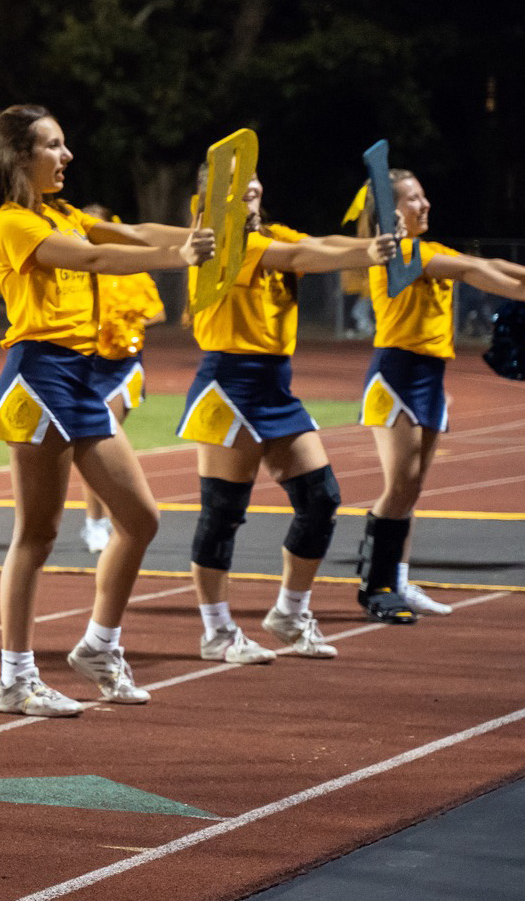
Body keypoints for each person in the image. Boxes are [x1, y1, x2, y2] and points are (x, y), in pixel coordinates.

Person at [0, 104, 212, 717]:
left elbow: (126, 236)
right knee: (37, 532)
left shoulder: (60, 213)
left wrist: (192, 238)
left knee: (139, 518)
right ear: (20, 157)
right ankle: (15, 677)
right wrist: (178, 260)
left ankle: (99, 646)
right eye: (54, 146)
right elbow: (93, 259)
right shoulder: (11, 223)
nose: (67, 156)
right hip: (40, 376)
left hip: (81, 377)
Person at [176, 175, 394, 664]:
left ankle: (290, 613)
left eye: (254, 180)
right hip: (228, 383)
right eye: (236, 183)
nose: (251, 188)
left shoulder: (273, 234)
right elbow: (299, 260)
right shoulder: (225, 242)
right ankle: (217, 630)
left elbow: (317, 245)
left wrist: (370, 243)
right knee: (223, 513)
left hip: (275, 384)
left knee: (321, 499)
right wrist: (369, 254)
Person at [354, 169, 525, 621]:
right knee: (399, 485)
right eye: (413, 199)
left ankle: (398, 580)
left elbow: (490, 265)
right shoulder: (401, 253)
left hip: (430, 375)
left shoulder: (429, 248)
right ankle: (377, 586)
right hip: (396, 373)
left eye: (424, 197)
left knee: (413, 489)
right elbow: (470, 271)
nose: (424, 205)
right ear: (391, 211)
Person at [76, 203, 167, 554]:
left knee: (102, 434)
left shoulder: (129, 268)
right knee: (93, 442)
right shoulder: (73, 268)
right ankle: (96, 523)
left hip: (123, 366)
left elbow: (158, 312)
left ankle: (102, 522)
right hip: (87, 366)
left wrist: (128, 323)